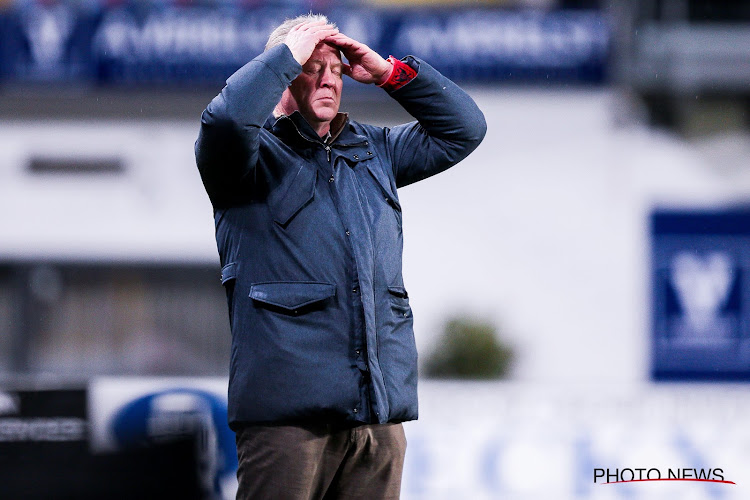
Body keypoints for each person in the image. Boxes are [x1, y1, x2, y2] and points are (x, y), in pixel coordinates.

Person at [195, 13, 486, 499]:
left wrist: (391, 74)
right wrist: (287, 53)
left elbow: (465, 128)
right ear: (284, 74)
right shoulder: (243, 159)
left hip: (376, 417)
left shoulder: (375, 150)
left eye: (337, 68)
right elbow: (225, 118)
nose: (330, 78)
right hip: (287, 422)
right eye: (313, 66)